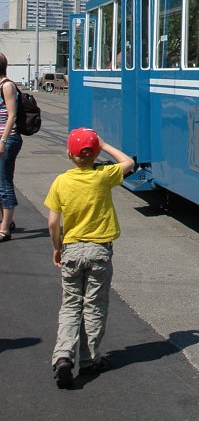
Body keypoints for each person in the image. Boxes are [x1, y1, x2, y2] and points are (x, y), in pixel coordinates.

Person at [44, 127, 135, 388]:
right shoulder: (103, 176)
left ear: (68, 154)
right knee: (94, 305)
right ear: (94, 154)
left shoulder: (61, 182)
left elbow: (52, 222)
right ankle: (89, 359)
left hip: (71, 250)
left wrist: (57, 247)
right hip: (99, 251)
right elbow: (129, 162)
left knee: (70, 305)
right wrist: (105, 145)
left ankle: (63, 356)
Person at [0, 53, 21, 242]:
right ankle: (7, 221)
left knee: (4, 183)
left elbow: (12, 116)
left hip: (8, 140)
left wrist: (3, 141)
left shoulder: (6, 85)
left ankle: (5, 228)